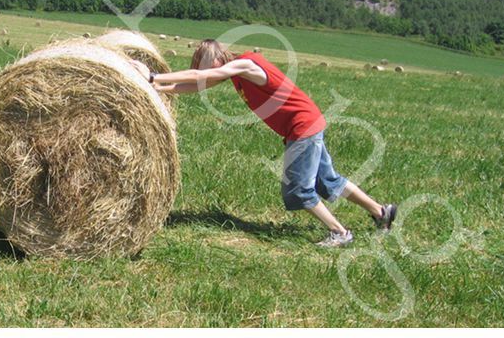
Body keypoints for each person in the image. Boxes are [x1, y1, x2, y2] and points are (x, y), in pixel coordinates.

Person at [150, 39, 397, 248]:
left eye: (203, 64)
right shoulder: (236, 73)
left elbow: (198, 77)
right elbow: (194, 84)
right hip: (304, 123)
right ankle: (381, 212)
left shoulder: (247, 63)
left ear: (216, 57)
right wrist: (156, 86)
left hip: (302, 126)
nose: (202, 70)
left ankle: (340, 233)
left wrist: (153, 75)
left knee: (298, 189)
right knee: (327, 180)